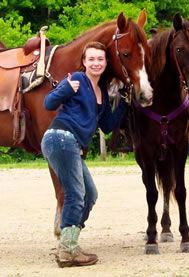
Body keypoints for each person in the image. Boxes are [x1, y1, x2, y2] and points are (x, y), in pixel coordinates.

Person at [41, 42, 129, 267]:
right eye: (91, 59)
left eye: (100, 59)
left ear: (106, 62)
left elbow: (108, 126)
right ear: (84, 62)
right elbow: (49, 102)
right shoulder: (77, 80)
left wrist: (125, 103)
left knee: (89, 194)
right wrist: (65, 88)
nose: (96, 63)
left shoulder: (101, 92)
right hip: (60, 137)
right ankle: (68, 250)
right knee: (75, 193)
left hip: (70, 143)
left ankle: (68, 244)